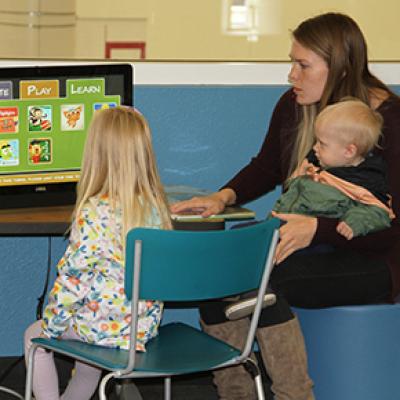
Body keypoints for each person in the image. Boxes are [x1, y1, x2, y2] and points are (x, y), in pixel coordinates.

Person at [171, 12, 400, 400]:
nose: (291, 75)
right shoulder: (294, 105)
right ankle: (237, 392)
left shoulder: (388, 124)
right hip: (309, 247)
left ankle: (295, 395)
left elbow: (392, 228)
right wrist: (222, 197)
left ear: (340, 70)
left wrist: (318, 230)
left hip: (374, 260)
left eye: (302, 65)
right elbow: (266, 166)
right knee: (219, 273)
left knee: (265, 286)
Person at [24, 107, 171, 400]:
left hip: (102, 327)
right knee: (88, 356)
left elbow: (73, 281)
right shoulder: (157, 209)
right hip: (140, 329)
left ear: (96, 155)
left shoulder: (94, 212)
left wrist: (52, 323)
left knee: (34, 338)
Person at [274, 98, 394, 240]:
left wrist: (353, 223)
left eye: (322, 144)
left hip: (315, 245)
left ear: (349, 151)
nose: (314, 148)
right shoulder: (316, 168)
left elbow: (378, 212)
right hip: (282, 226)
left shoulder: (363, 185)